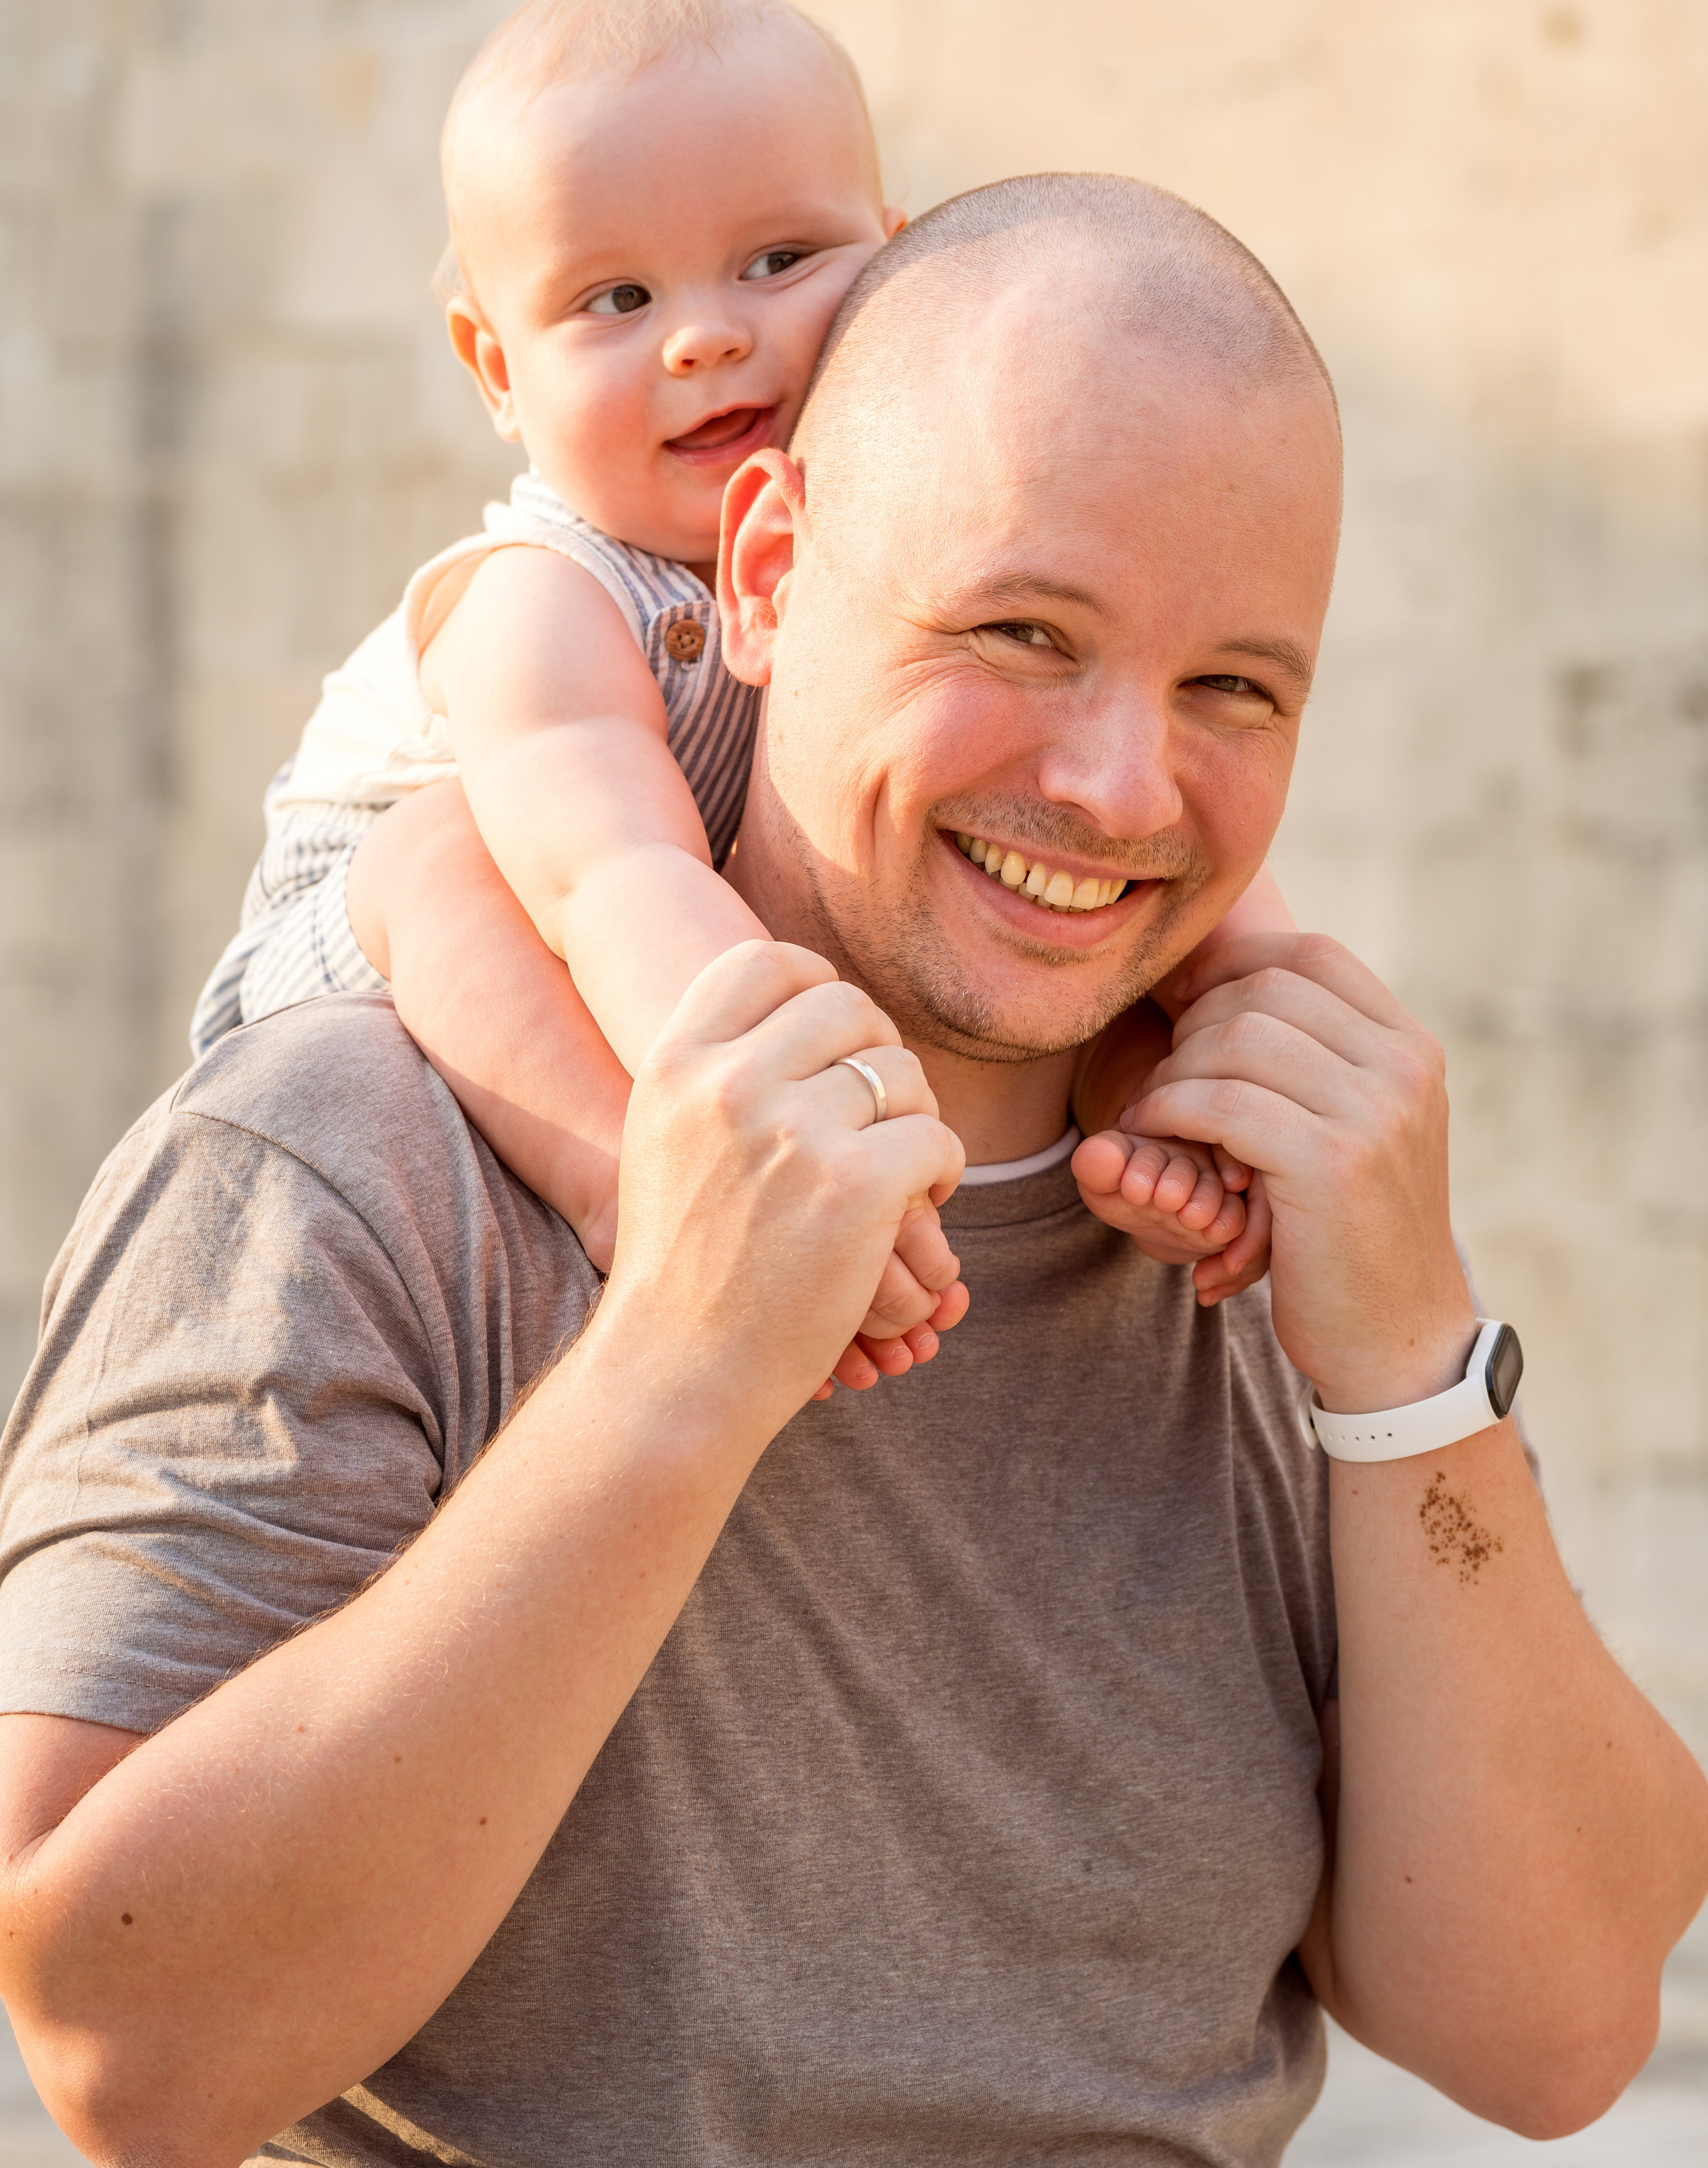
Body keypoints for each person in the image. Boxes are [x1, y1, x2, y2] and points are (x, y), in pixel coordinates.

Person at [1, 177, 1703, 2168]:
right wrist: (685, 1361)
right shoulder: (342, 1161)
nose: (1121, 787)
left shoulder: (1260, 1234)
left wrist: (1412, 1365)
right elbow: (124, 2056)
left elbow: (1554, 2037)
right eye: (1022, 632)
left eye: (1235, 687)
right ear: (773, 572)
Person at [188, 0, 1276, 1384]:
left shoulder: (885, 562)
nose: (704, 333)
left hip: (658, 943)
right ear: (495, 367)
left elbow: (1130, 825)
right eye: (615, 296)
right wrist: (790, 1106)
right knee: (445, 860)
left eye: (776, 262)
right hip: (404, 941)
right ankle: (625, 1195)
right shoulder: (547, 595)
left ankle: (1148, 1109)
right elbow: (605, 876)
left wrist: (1257, 1003)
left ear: (892, 272)